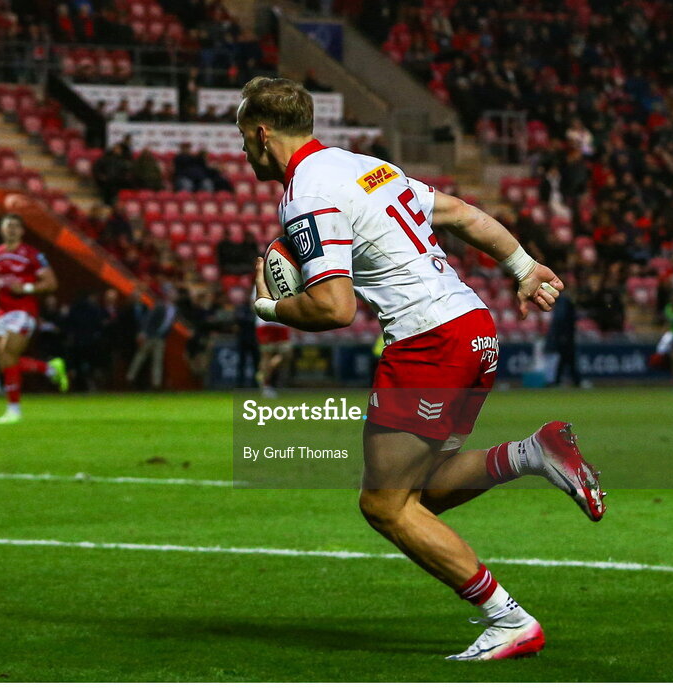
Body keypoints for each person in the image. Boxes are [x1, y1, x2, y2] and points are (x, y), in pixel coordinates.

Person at [240, 77, 606, 661]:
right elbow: (458, 212)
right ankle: (531, 453)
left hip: (426, 342)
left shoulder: (306, 192)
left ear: (261, 134)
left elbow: (334, 309)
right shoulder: (365, 166)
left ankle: (507, 618)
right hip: (474, 329)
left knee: (384, 504)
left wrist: (266, 307)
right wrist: (523, 264)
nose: (242, 154)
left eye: (243, 140)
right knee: (417, 495)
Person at [0, 214, 69, 424]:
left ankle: (14, 410)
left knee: (8, 353)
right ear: (2, 230)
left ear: (22, 231)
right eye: (8, 226)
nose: (12, 230)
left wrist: (26, 287)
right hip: (3, 312)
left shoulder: (32, 255)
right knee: (5, 362)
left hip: (24, 311)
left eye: (16, 226)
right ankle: (50, 369)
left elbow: (51, 283)